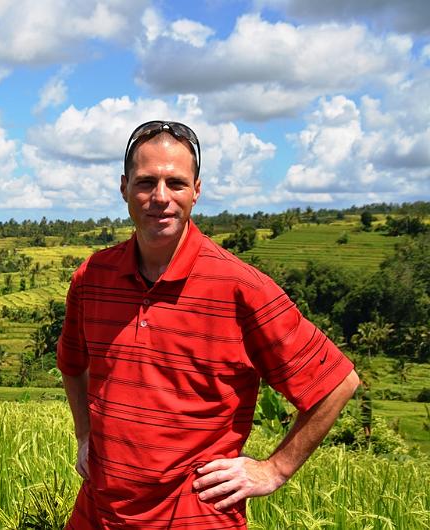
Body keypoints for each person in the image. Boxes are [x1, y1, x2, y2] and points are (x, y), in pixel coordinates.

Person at [57, 120, 360, 529]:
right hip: (98, 512)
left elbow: (337, 382)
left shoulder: (240, 287)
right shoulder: (93, 277)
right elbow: (73, 363)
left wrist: (274, 469)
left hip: (194, 517)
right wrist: (84, 434)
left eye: (176, 183)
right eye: (146, 182)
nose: (160, 198)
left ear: (196, 191)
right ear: (124, 187)